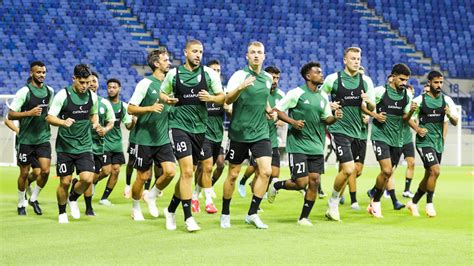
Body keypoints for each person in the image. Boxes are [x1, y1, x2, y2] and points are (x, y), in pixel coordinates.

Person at [160, 40, 225, 232]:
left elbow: (222, 97)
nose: (198, 55)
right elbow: (162, 94)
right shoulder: (174, 74)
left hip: (200, 129)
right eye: (194, 51)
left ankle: (170, 210)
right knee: (187, 172)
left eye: (201, 52)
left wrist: (211, 98)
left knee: (189, 173)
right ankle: (188, 218)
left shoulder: (209, 74)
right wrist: (167, 99)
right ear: (185, 52)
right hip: (178, 126)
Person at [268, 61, 343, 225]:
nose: (321, 74)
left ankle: (303, 217)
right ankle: (277, 185)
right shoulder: (296, 93)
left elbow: (326, 119)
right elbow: (278, 110)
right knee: (301, 182)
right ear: (308, 76)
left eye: (321, 71)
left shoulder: (323, 96)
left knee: (314, 181)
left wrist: (334, 117)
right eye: (318, 72)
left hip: (317, 145)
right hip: (298, 145)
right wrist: (292, 122)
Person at [220, 41, 275, 229]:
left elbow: (264, 98)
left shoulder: (268, 78)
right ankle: (225, 213)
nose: (256, 55)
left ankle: (252, 213)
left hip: (261, 132)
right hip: (239, 133)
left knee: (266, 171)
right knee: (233, 175)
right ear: (247, 56)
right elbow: (227, 99)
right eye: (253, 52)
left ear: (264, 56)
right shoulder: (239, 76)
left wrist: (269, 110)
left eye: (260, 52)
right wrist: (241, 88)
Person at [320, 47, 375, 221]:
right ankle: (333, 203)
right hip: (338, 129)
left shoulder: (366, 81)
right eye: (353, 58)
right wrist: (328, 106)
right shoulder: (333, 79)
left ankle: (336, 199)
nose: (356, 61)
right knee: (349, 168)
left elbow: (372, 107)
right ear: (345, 60)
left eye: (358, 58)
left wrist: (369, 104)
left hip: (358, 131)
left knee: (353, 170)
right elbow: (320, 97)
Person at [127, 47, 177, 221]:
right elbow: (130, 108)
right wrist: (149, 108)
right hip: (144, 139)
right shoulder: (145, 84)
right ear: (156, 64)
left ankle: (151, 195)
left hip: (162, 138)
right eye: (165, 60)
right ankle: (135, 207)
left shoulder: (169, 86)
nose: (169, 62)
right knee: (143, 176)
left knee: (170, 172)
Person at [46, 64, 99, 223]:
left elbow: (93, 113)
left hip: (84, 145)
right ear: (74, 79)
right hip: (65, 147)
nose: (85, 86)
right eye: (82, 82)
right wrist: (62, 122)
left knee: (87, 179)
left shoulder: (92, 96)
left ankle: (73, 197)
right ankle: (62, 212)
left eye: (88, 82)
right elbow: (49, 117)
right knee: (65, 181)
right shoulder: (63, 95)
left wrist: (95, 123)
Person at [366, 63, 417, 218]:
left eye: (406, 80)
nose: (403, 83)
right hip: (380, 136)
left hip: (397, 139)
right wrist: (375, 115)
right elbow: (363, 106)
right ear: (393, 76)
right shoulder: (379, 91)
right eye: (401, 79)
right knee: (387, 170)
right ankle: (376, 203)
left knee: (387, 174)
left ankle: (373, 198)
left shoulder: (407, 96)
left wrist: (411, 112)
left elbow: (405, 118)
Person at [406, 70, 458, 217]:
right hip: (424, 142)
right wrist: (417, 128)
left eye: (441, 82)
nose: (439, 85)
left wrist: (448, 114)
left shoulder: (447, 100)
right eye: (436, 82)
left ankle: (413, 202)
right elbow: (407, 117)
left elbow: (455, 121)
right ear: (429, 83)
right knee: (435, 171)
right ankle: (429, 205)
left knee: (430, 174)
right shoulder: (419, 100)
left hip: (437, 142)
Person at [8, 61, 54, 216]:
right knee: (23, 173)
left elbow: (51, 113)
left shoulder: (50, 91)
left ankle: (33, 198)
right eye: (38, 72)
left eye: (43, 72)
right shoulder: (24, 92)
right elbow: (10, 115)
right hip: (26, 140)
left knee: (45, 171)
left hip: (43, 138)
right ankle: (21, 203)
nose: (41, 75)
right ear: (31, 73)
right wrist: (29, 113)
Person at [237, 65, 285, 198]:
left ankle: (253, 187)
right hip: (258, 136)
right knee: (258, 169)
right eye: (272, 77)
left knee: (274, 174)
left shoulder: (281, 95)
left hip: (273, 139)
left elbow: (283, 114)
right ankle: (244, 183)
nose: (275, 80)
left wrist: (281, 120)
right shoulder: (256, 91)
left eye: (277, 78)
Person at [192, 59, 228, 214]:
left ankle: (194, 195)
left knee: (216, 165)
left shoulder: (223, 94)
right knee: (206, 167)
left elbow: (232, 112)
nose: (216, 72)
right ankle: (208, 201)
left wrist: (229, 107)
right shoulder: (201, 92)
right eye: (213, 70)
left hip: (218, 136)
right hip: (203, 135)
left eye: (218, 70)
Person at [81, 72, 115, 216]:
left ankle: (78, 187)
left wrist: (105, 129)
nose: (92, 84)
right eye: (90, 81)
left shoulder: (104, 102)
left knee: (105, 172)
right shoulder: (79, 101)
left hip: (99, 145)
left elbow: (111, 121)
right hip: (83, 145)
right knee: (88, 176)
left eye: (95, 81)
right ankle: (88, 208)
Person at [97, 78, 136, 205]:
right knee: (106, 171)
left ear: (119, 89)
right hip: (104, 143)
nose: (111, 89)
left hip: (117, 144)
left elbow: (128, 126)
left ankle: (104, 198)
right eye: (109, 87)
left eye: (114, 87)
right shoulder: (101, 104)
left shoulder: (123, 106)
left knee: (116, 171)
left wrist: (134, 121)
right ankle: (89, 182)